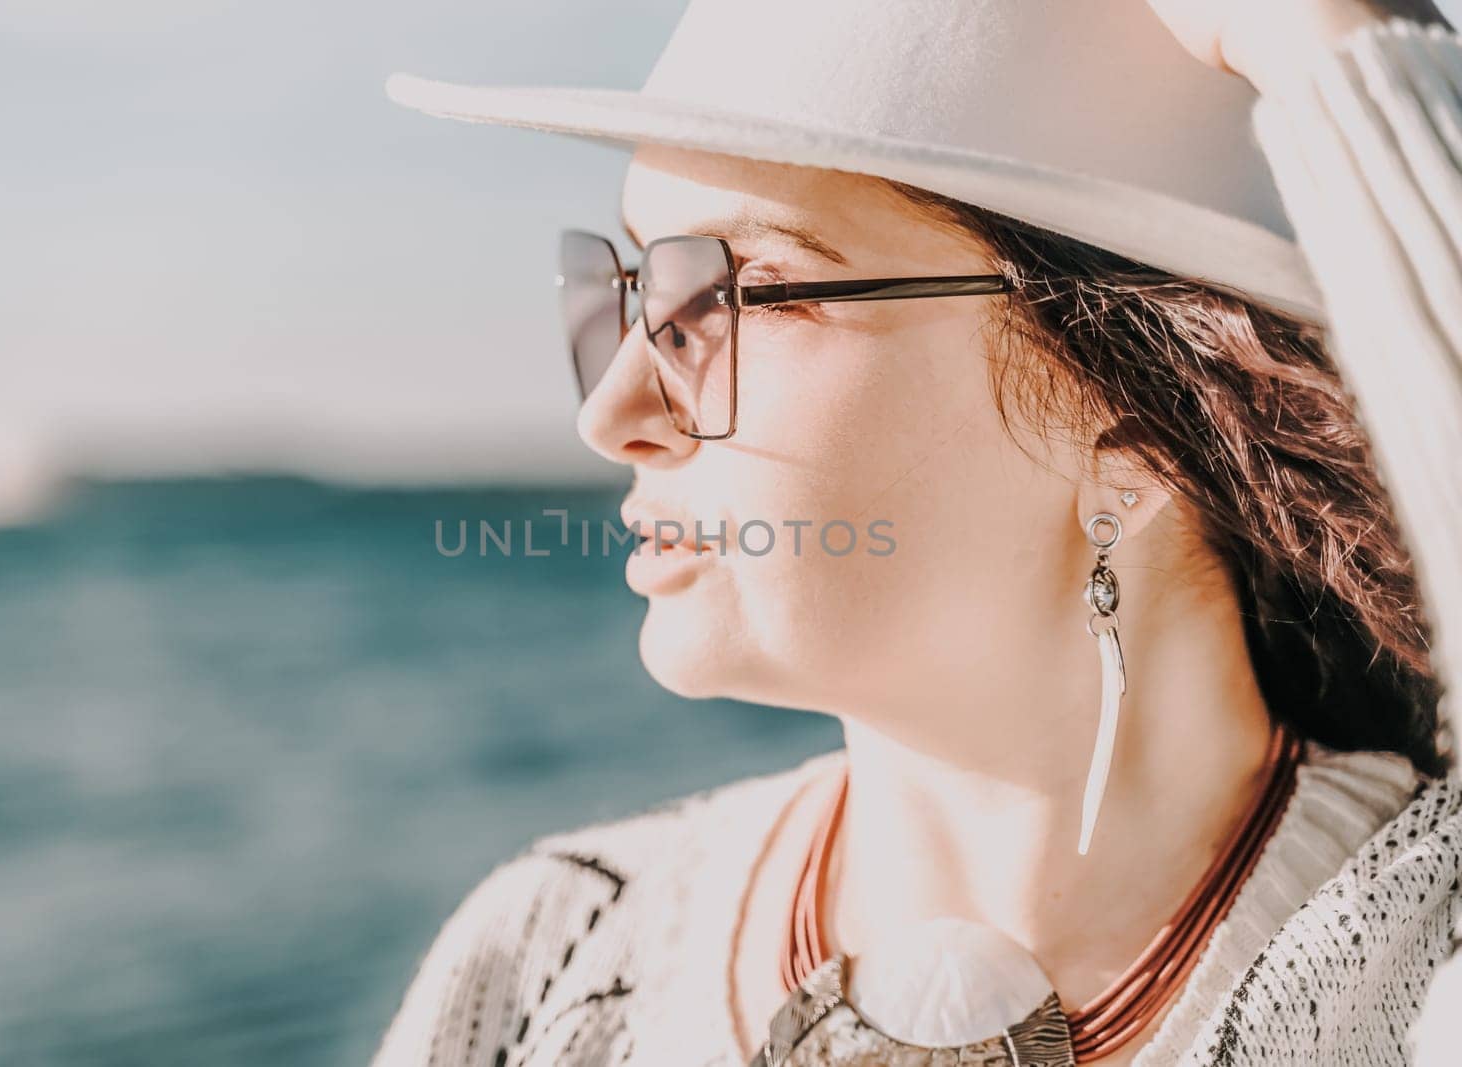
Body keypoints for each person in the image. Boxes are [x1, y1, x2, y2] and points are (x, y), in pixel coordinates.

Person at [376, 0, 1462, 1063]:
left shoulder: (1420, 952)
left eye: (752, 291)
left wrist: (1336, 42)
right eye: (639, 286)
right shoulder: (544, 955)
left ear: (1135, 443)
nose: (612, 412)